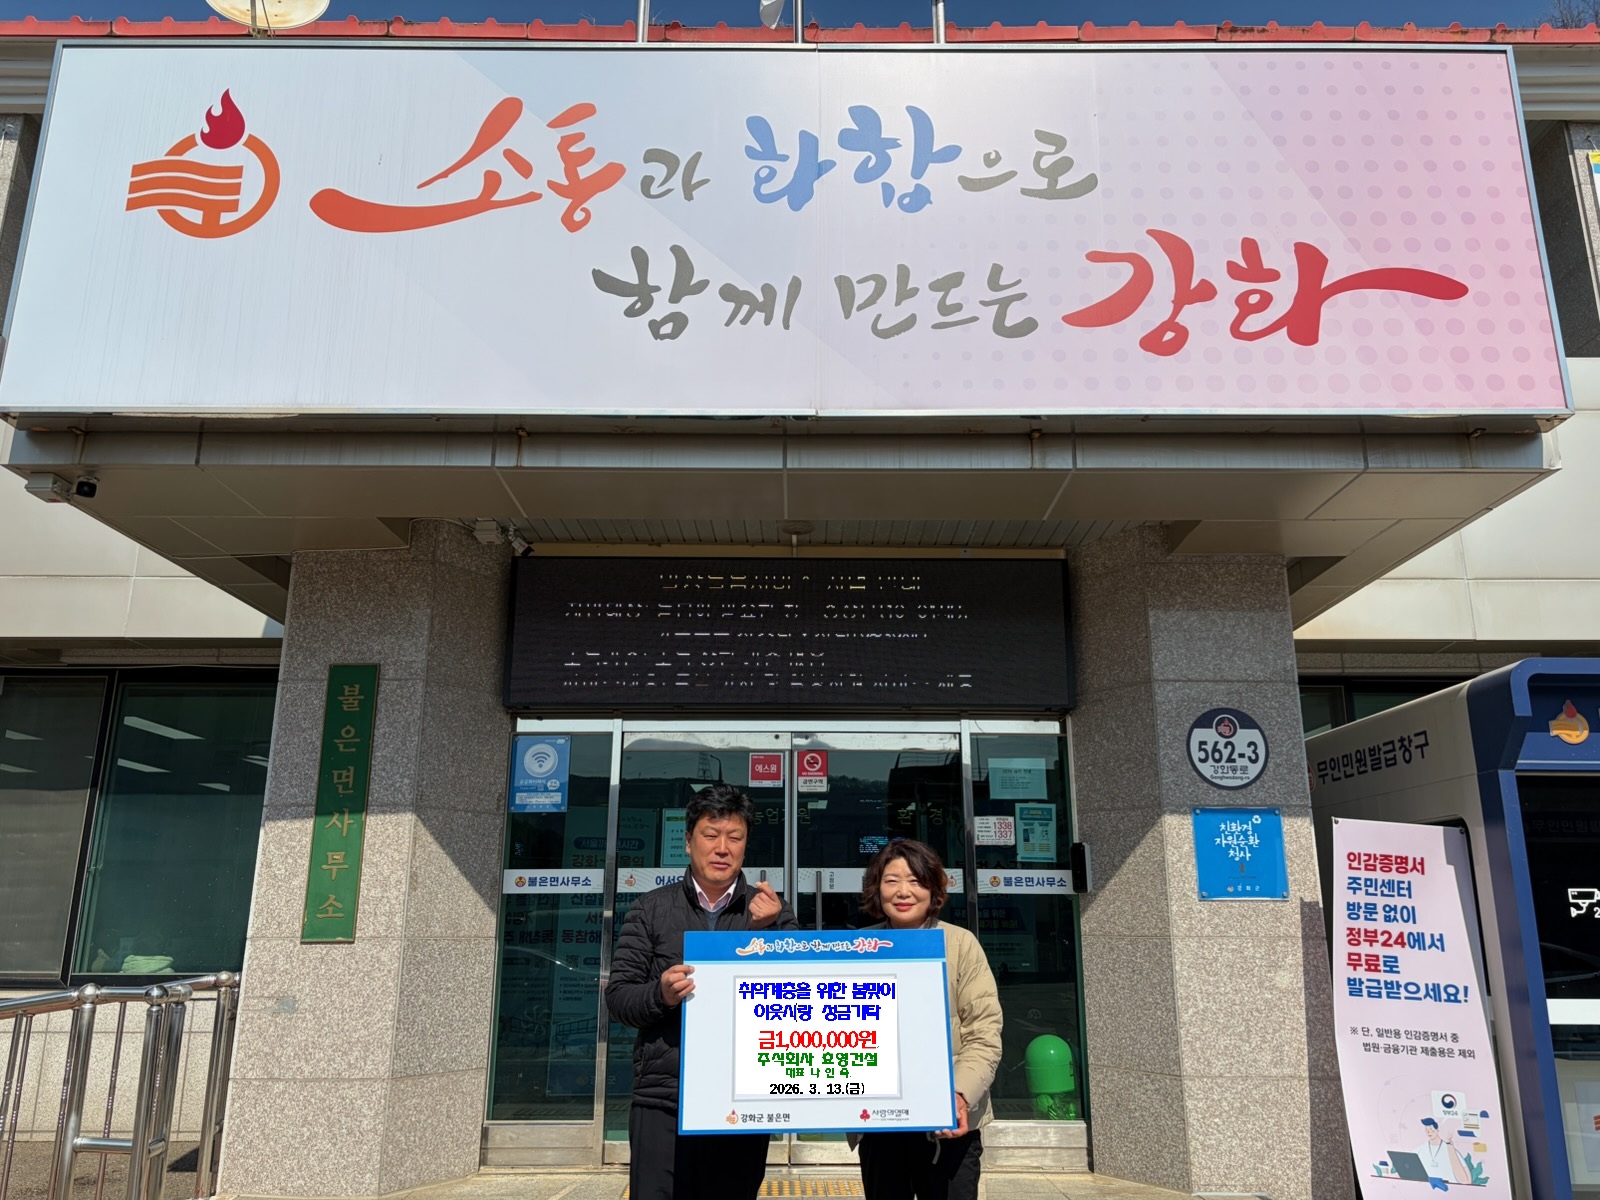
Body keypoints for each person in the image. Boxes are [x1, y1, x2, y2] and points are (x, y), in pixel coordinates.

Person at [605, 783, 797, 1200]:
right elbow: (618, 998)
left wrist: (773, 930)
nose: (722, 848)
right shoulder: (651, 909)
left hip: (742, 1098)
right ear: (689, 841)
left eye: (735, 837)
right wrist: (660, 994)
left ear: (746, 846)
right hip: (664, 1098)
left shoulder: (772, 912)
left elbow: (801, 998)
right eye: (711, 835)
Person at [852, 839, 1002, 1200]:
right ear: (876, 888)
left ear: (934, 888)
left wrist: (960, 1094)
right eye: (891, 881)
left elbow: (984, 1034)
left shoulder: (961, 944)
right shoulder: (857, 947)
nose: (903, 892)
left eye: (916, 881)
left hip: (947, 1123)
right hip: (880, 1121)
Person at [1413, 1117, 1471, 1183]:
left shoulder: (1449, 1148)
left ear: (1437, 1130)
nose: (1429, 1132)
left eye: (1431, 1129)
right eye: (1426, 1130)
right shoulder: (1420, 1150)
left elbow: (1466, 1180)